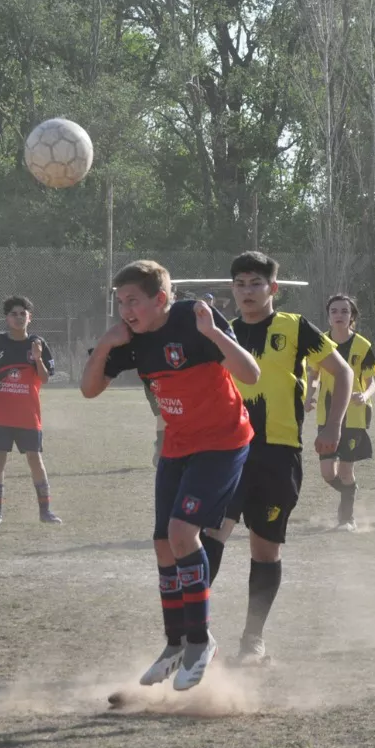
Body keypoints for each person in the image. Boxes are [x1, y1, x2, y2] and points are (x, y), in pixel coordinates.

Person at [81, 260, 259, 691]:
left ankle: (201, 641)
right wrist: (106, 345)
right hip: (178, 445)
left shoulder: (192, 318)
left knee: (182, 533)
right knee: (163, 543)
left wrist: (214, 334)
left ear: (160, 299)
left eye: (133, 301)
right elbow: (89, 389)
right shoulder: (131, 337)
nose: (125, 310)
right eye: (120, 302)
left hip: (222, 441)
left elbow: (250, 375)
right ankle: (175, 641)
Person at [203, 251, 353, 666]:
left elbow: (343, 373)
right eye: (240, 284)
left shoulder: (294, 327)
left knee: (265, 551)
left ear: (274, 288)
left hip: (278, 454)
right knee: (210, 537)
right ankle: (195, 636)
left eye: (255, 283)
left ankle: (253, 639)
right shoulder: (224, 334)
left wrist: (332, 427)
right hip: (229, 453)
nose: (247, 291)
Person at [0, 296, 62, 525]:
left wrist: (37, 359)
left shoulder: (38, 343)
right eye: (14, 314)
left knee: (36, 460)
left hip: (29, 415)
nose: (18, 317)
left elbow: (44, 378)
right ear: (7, 318)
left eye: (22, 313)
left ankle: (45, 512)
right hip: (1, 413)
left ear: (30, 317)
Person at [306, 295, 375, 531]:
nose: (339, 315)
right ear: (328, 316)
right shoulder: (319, 344)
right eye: (334, 311)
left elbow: (372, 382)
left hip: (354, 415)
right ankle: (350, 492)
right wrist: (310, 396)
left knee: (347, 468)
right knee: (327, 473)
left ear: (352, 316)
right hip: (326, 415)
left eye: (344, 311)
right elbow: (314, 376)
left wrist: (365, 395)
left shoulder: (362, 346)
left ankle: (347, 518)